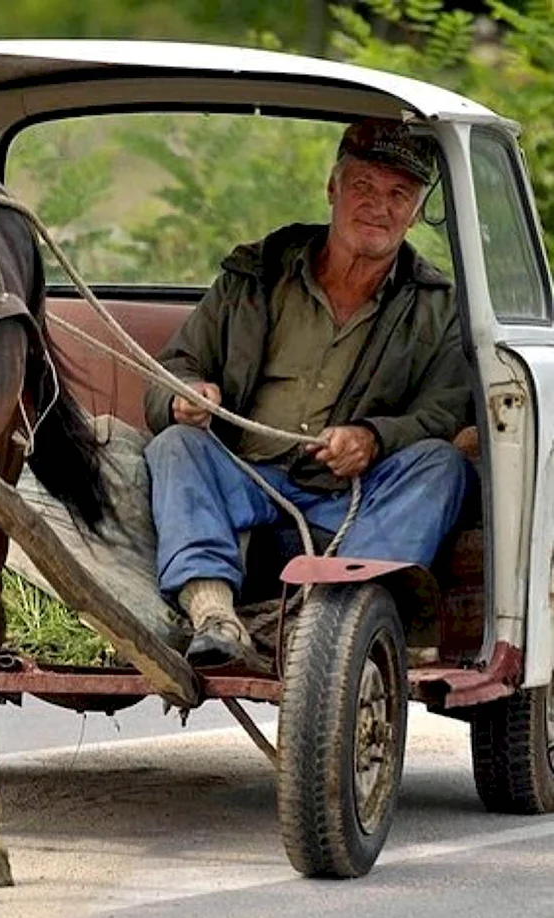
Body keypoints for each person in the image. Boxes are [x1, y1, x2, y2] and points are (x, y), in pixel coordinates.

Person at [143, 118, 473, 668]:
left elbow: (444, 412)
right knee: (175, 445)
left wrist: (373, 438)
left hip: (355, 499)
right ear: (333, 189)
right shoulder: (256, 271)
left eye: (399, 195)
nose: (379, 207)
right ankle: (213, 614)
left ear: (415, 213)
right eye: (364, 187)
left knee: (443, 466)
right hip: (243, 477)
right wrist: (183, 397)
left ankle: (333, 623)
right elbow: (175, 365)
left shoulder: (438, 304)